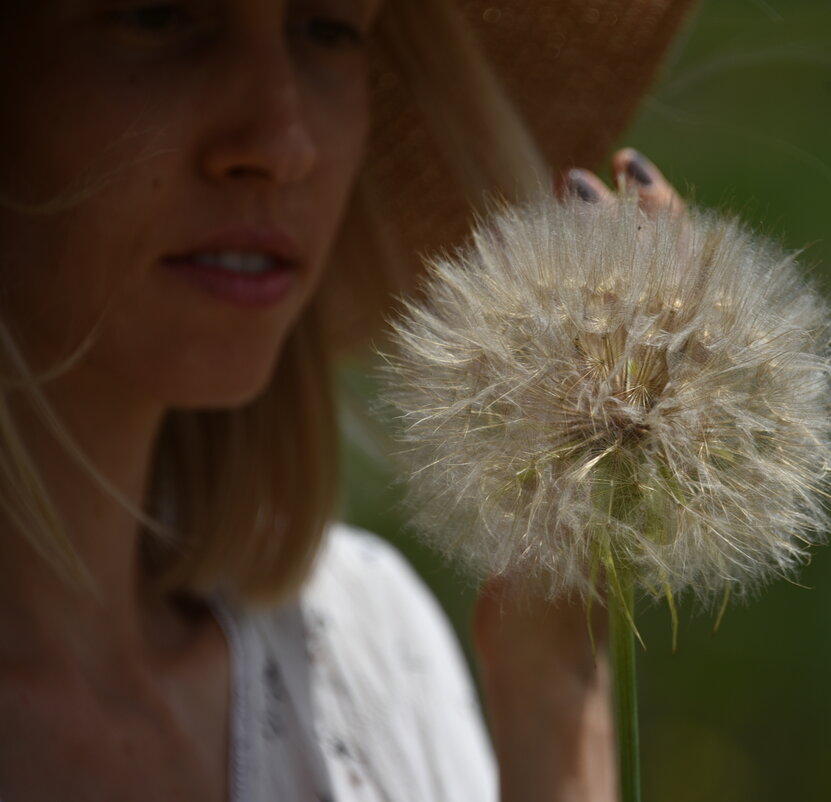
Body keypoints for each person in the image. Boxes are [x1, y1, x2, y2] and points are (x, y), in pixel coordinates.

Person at [0, 1, 694, 800]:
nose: (282, 143)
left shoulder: (367, 656)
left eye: (327, 28)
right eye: (162, 16)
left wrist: (556, 698)